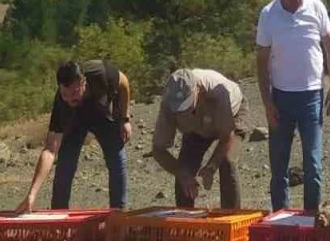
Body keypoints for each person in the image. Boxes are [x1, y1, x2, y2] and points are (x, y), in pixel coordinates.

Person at [255, 0, 330, 212]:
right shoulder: (268, 15)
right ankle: (281, 223)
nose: (296, 0)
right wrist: (267, 103)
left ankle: (311, 220)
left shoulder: (316, 8)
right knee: (279, 164)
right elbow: (261, 62)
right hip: (281, 97)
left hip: (311, 96)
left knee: (313, 164)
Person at [17, 59, 131, 213]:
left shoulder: (101, 73)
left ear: (84, 82)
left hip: (101, 114)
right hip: (75, 121)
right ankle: (58, 216)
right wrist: (32, 194)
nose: (70, 99)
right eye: (65, 94)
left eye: (75, 92)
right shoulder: (62, 104)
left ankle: (118, 214)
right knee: (65, 165)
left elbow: (123, 82)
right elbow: (50, 150)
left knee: (117, 158)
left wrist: (124, 118)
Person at [151, 67, 249, 208]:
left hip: (233, 116)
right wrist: (182, 173)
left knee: (227, 161)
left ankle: (230, 217)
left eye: (188, 105)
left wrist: (210, 168)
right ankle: (185, 220)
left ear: (198, 89)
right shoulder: (169, 103)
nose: (184, 111)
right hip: (197, 129)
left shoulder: (218, 93)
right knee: (185, 168)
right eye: (180, 110)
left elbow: (227, 137)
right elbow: (158, 149)